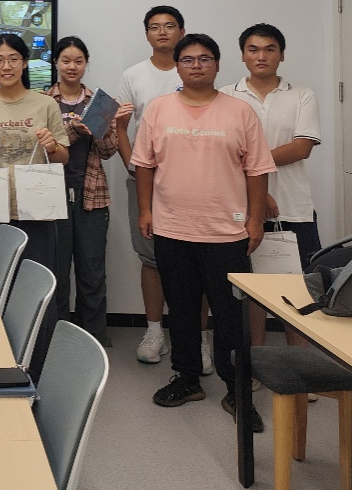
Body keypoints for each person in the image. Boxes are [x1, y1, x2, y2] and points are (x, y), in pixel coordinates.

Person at [132, 33, 273, 431]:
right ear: (177, 66)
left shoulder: (240, 112)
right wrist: (146, 210)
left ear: (217, 64)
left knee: (229, 315)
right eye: (188, 59)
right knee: (182, 309)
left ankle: (236, 388)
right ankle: (187, 378)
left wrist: (255, 220)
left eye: (205, 58)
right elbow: (144, 164)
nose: (196, 65)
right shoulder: (158, 109)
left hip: (226, 233)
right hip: (172, 228)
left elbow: (257, 170)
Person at [115, 5, 210, 367]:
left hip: (193, 181)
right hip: (146, 180)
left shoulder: (194, 71)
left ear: (182, 31)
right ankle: (154, 332)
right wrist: (133, 167)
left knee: (198, 260)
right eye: (155, 27)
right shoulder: (133, 75)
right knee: (151, 258)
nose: (163, 32)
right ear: (146, 35)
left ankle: (199, 338)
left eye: (170, 26)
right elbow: (120, 126)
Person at [223, 23, 322, 347]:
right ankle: (256, 360)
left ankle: (299, 364)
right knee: (252, 288)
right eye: (253, 49)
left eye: (269, 49)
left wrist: (252, 164)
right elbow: (222, 155)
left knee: (297, 289)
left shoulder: (302, 95)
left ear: (282, 55)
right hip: (239, 209)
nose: (261, 56)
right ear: (242, 55)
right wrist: (259, 192)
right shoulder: (225, 96)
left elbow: (301, 147)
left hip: (293, 207)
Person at [45, 36, 131, 347]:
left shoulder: (99, 102)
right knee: (55, 270)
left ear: (86, 64)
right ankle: (55, 336)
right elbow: (41, 151)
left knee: (92, 270)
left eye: (78, 61)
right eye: (66, 60)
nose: (72, 66)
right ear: (56, 62)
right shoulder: (43, 101)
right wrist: (73, 130)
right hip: (51, 197)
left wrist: (105, 127)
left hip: (91, 196)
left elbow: (108, 152)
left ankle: (93, 337)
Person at [0, 33, 70, 268]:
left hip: (36, 209)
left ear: (24, 63)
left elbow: (63, 158)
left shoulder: (46, 104)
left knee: (34, 279)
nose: (6, 67)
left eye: (13, 59)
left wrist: (52, 146)